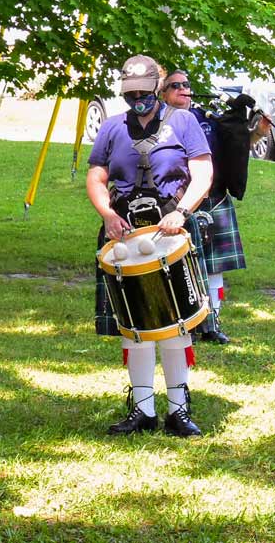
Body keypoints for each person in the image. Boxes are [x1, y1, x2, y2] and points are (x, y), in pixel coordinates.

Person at [86, 54, 212, 437]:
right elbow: (96, 175)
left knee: (175, 324)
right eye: (130, 94)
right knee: (133, 324)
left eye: (143, 92)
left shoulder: (184, 122)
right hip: (123, 232)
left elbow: (203, 172)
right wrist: (108, 214)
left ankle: (178, 409)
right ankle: (142, 409)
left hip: (170, 230)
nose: (137, 99)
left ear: (157, 87)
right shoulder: (112, 127)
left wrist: (183, 211)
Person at [160, 70, 272, 345]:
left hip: (214, 198)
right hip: (175, 203)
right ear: (162, 93)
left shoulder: (205, 118)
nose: (183, 89)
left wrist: (258, 132)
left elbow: (232, 149)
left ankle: (212, 324)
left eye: (187, 84)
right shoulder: (157, 123)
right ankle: (184, 321)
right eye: (175, 86)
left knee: (213, 267)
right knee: (178, 265)